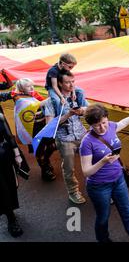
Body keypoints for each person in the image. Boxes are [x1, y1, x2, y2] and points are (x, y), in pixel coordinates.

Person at [80, 104, 129, 242]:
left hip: (118, 179)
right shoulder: (86, 143)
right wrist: (103, 161)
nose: (102, 128)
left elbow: (120, 124)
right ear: (90, 125)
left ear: (107, 119)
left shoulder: (110, 126)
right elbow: (86, 172)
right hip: (99, 186)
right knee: (103, 217)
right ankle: (103, 240)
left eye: (104, 122)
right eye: (97, 125)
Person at [44, 69, 89, 204]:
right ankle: (73, 192)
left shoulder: (77, 95)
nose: (71, 85)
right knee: (69, 167)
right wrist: (68, 115)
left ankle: (99, 187)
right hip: (65, 139)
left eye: (73, 82)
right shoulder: (51, 102)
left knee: (96, 158)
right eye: (68, 82)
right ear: (59, 83)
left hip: (82, 134)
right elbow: (49, 125)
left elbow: (89, 109)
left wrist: (82, 110)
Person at [12, 78, 57, 181]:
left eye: (32, 85)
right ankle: (45, 171)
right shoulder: (19, 98)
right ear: (22, 88)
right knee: (39, 150)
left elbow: (41, 101)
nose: (32, 88)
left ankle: (45, 161)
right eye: (29, 86)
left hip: (42, 125)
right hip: (33, 128)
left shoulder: (32, 93)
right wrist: (51, 98)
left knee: (53, 145)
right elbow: (37, 105)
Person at [0, 112, 24, 237]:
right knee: (2, 190)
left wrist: (17, 155)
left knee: (9, 187)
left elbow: (9, 136)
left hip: (3, 156)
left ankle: (11, 215)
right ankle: (11, 219)